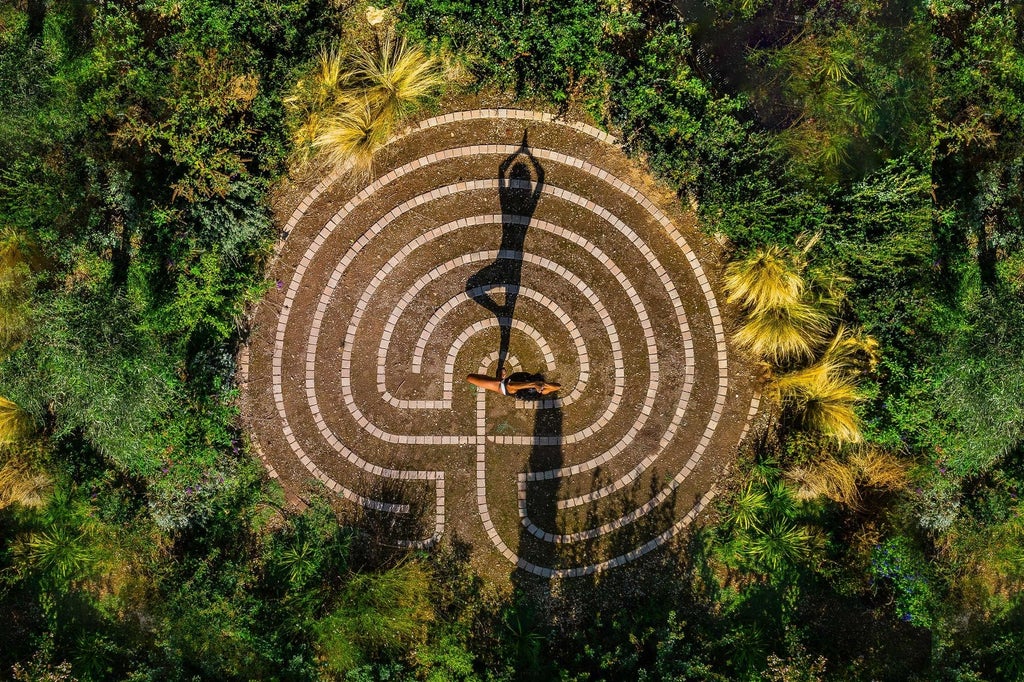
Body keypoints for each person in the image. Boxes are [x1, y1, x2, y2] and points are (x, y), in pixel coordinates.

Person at [466, 370, 560, 400]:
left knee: (470, 378)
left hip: (502, 386)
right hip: (509, 380)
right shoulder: (542, 390)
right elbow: (558, 386)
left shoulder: (520, 392)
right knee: (499, 379)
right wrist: (544, 384)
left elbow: (510, 385)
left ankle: (499, 379)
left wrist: (533, 384)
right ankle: (499, 378)